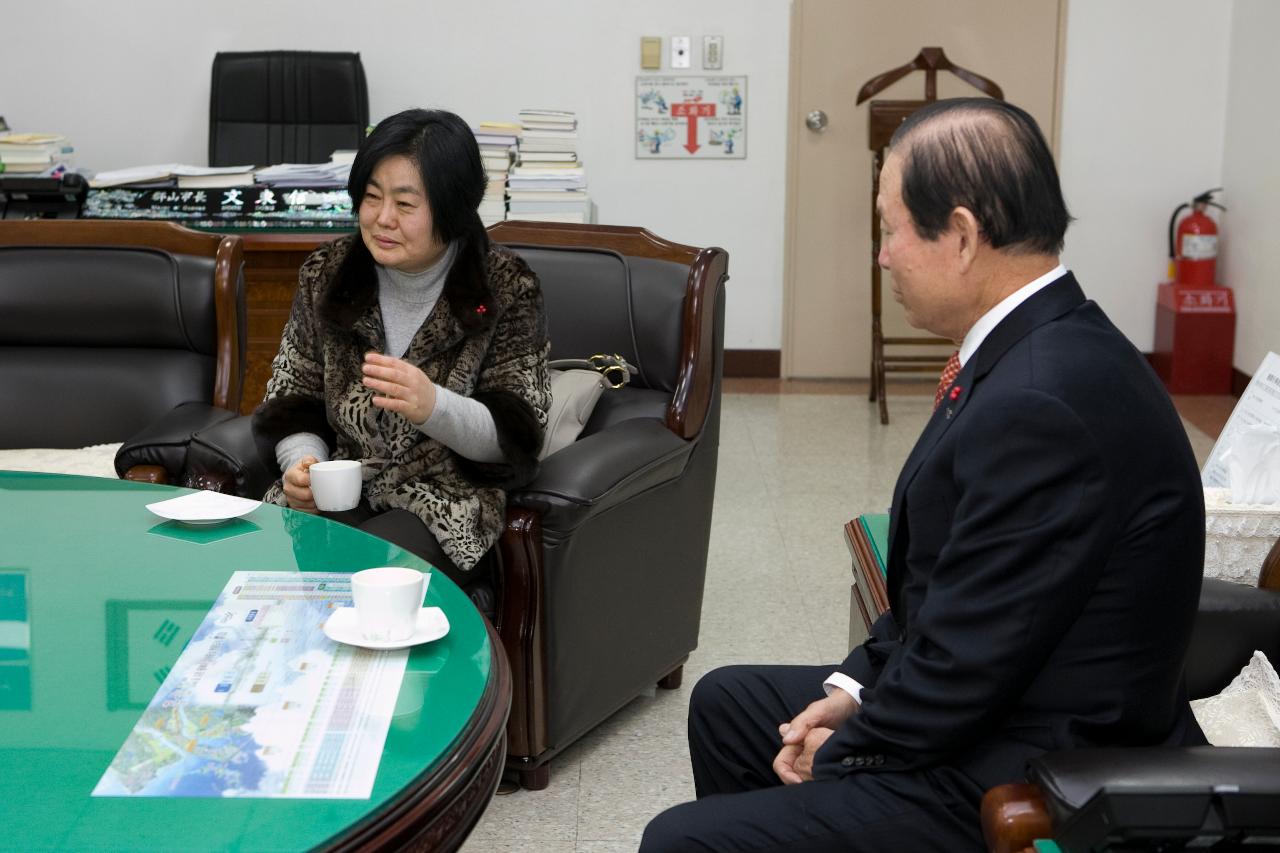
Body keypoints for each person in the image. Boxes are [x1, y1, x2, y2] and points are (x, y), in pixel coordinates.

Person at [641, 98, 1207, 851]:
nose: (881, 255)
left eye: (890, 228)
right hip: (998, 697)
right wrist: (850, 692)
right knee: (728, 701)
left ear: (964, 236)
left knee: (680, 840)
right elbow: (944, 593)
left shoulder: (1044, 402)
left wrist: (844, 749)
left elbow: (966, 665)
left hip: (1029, 762)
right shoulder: (1035, 346)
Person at [252, 108, 551, 592]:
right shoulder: (327, 274)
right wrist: (301, 467)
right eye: (371, 198)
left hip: (444, 503)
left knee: (363, 582)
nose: (382, 219)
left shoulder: (506, 288)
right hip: (341, 488)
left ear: (452, 209)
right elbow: (291, 397)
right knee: (259, 577)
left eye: (405, 205)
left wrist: (434, 406)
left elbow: (514, 436)